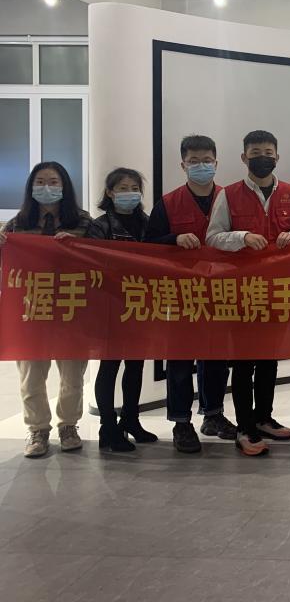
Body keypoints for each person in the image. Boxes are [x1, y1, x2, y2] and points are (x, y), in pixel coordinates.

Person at [206, 130, 290, 456]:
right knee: (244, 363)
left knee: (270, 360)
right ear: (244, 158)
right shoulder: (229, 195)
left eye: (268, 152)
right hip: (243, 291)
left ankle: (263, 418)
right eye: (256, 152)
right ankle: (245, 427)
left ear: (277, 156)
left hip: (279, 290)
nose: (263, 157)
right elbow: (213, 237)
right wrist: (242, 237)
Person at [145, 134, 234, 454]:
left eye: (206, 161)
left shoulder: (230, 198)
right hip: (181, 294)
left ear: (216, 163)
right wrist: (174, 239)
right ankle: (181, 423)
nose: (201, 166)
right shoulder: (168, 203)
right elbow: (148, 246)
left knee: (217, 358)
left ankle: (213, 415)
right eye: (194, 161)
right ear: (183, 165)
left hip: (221, 291)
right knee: (181, 361)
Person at [0, 162, 92, 458]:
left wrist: (78, 246)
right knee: (31, 374)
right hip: (31, 309)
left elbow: (100, 258)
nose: (47, 187)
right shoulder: (17, 224)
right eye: (40, 182)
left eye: (53, 181)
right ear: (31, 188)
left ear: (65, 186)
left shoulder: (83, 221)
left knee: (72, 375)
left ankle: (69, 425)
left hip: (71, 308)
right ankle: (37, 428)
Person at [87, 167, 159, 452]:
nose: (130, 193)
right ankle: (108, 427)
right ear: (110, 192)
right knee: (110, 365)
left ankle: (131, 419)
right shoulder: (100, 226)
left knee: (136, 365)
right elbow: (93, 262)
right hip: (110, 305)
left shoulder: (148, 223)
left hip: (139, 303)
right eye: (123, 188)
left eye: (134, 188)